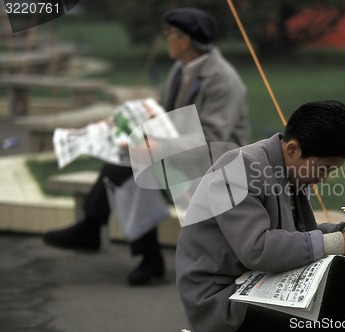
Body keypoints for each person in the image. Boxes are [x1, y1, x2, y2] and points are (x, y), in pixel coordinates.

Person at [43, 8, 249, 286]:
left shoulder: (223, 80)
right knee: (129, 161)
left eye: (169, 34)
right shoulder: (181, 68)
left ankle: (103, 233)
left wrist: (157, 145)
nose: (166, 39)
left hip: (216, 163)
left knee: (133, 167)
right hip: (183, 155)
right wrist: (125, 125)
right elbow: (164, 114)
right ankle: (130, 249)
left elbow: (214, 138)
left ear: (185, 40)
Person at [175, 100, 345, 331]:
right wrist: (339, 242)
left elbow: (297, 237)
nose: (324, 178)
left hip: (261, 280)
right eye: (324, 168)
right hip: (224, 300)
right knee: (336, 292)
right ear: (292, 149)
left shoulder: (292, 171)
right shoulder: (238, 168)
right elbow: (257, 249)